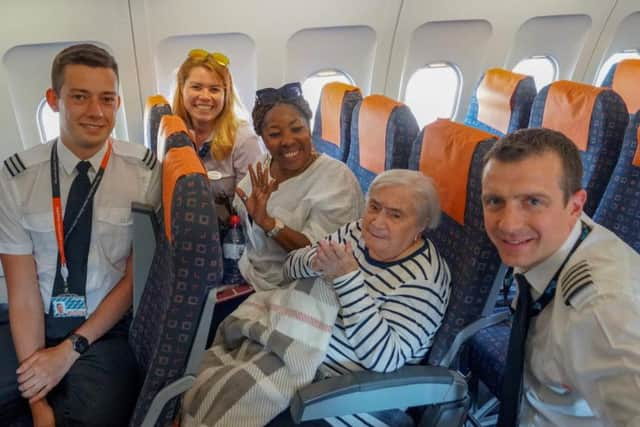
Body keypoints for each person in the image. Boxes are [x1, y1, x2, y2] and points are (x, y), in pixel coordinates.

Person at [182, 169, 451, 427]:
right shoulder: (356, 231)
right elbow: (290, 268)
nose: (377, 222)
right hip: (291, 346)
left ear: (420, 225)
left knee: (234, 404)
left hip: (338, 395)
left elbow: (383, 360)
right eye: (374, 207)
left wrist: (347, 279)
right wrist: (316, 260)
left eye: (395, 215)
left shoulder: (424, 281)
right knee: (211, 383)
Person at [0, 44, 161, 427]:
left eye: (107, 99)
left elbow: (132, 279)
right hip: (35, 319)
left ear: (118, 102)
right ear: (53, 101)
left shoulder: (144, 173)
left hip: (106, 327)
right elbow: (21, 292)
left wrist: (70, 350)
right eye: (80, 97)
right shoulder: (16, 180)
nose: (96, 112)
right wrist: (39, 403)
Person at [480, 128, 640, 427]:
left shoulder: (601, 312)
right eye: (494, 201)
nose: (508, 224)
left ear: (575, 205)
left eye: (533, 202)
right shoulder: (551, 242)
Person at [233, 82, 364, 291]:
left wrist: (269, 224)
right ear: (262, 138)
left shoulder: (337, 180)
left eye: (297, 129)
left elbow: (324, 256)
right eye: (275, 134)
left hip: (294, 290)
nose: (288, 141)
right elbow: (240, 208)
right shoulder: (264, 164)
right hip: (249, 272)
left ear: (309, 128)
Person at [172, 49, 262, 218]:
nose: (205, 96)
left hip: (231, 232)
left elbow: (251, 206)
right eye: (196, 87)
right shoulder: (171, 135)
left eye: (214, 89)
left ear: (225, 95)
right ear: (182, 89)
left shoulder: (243, 139)